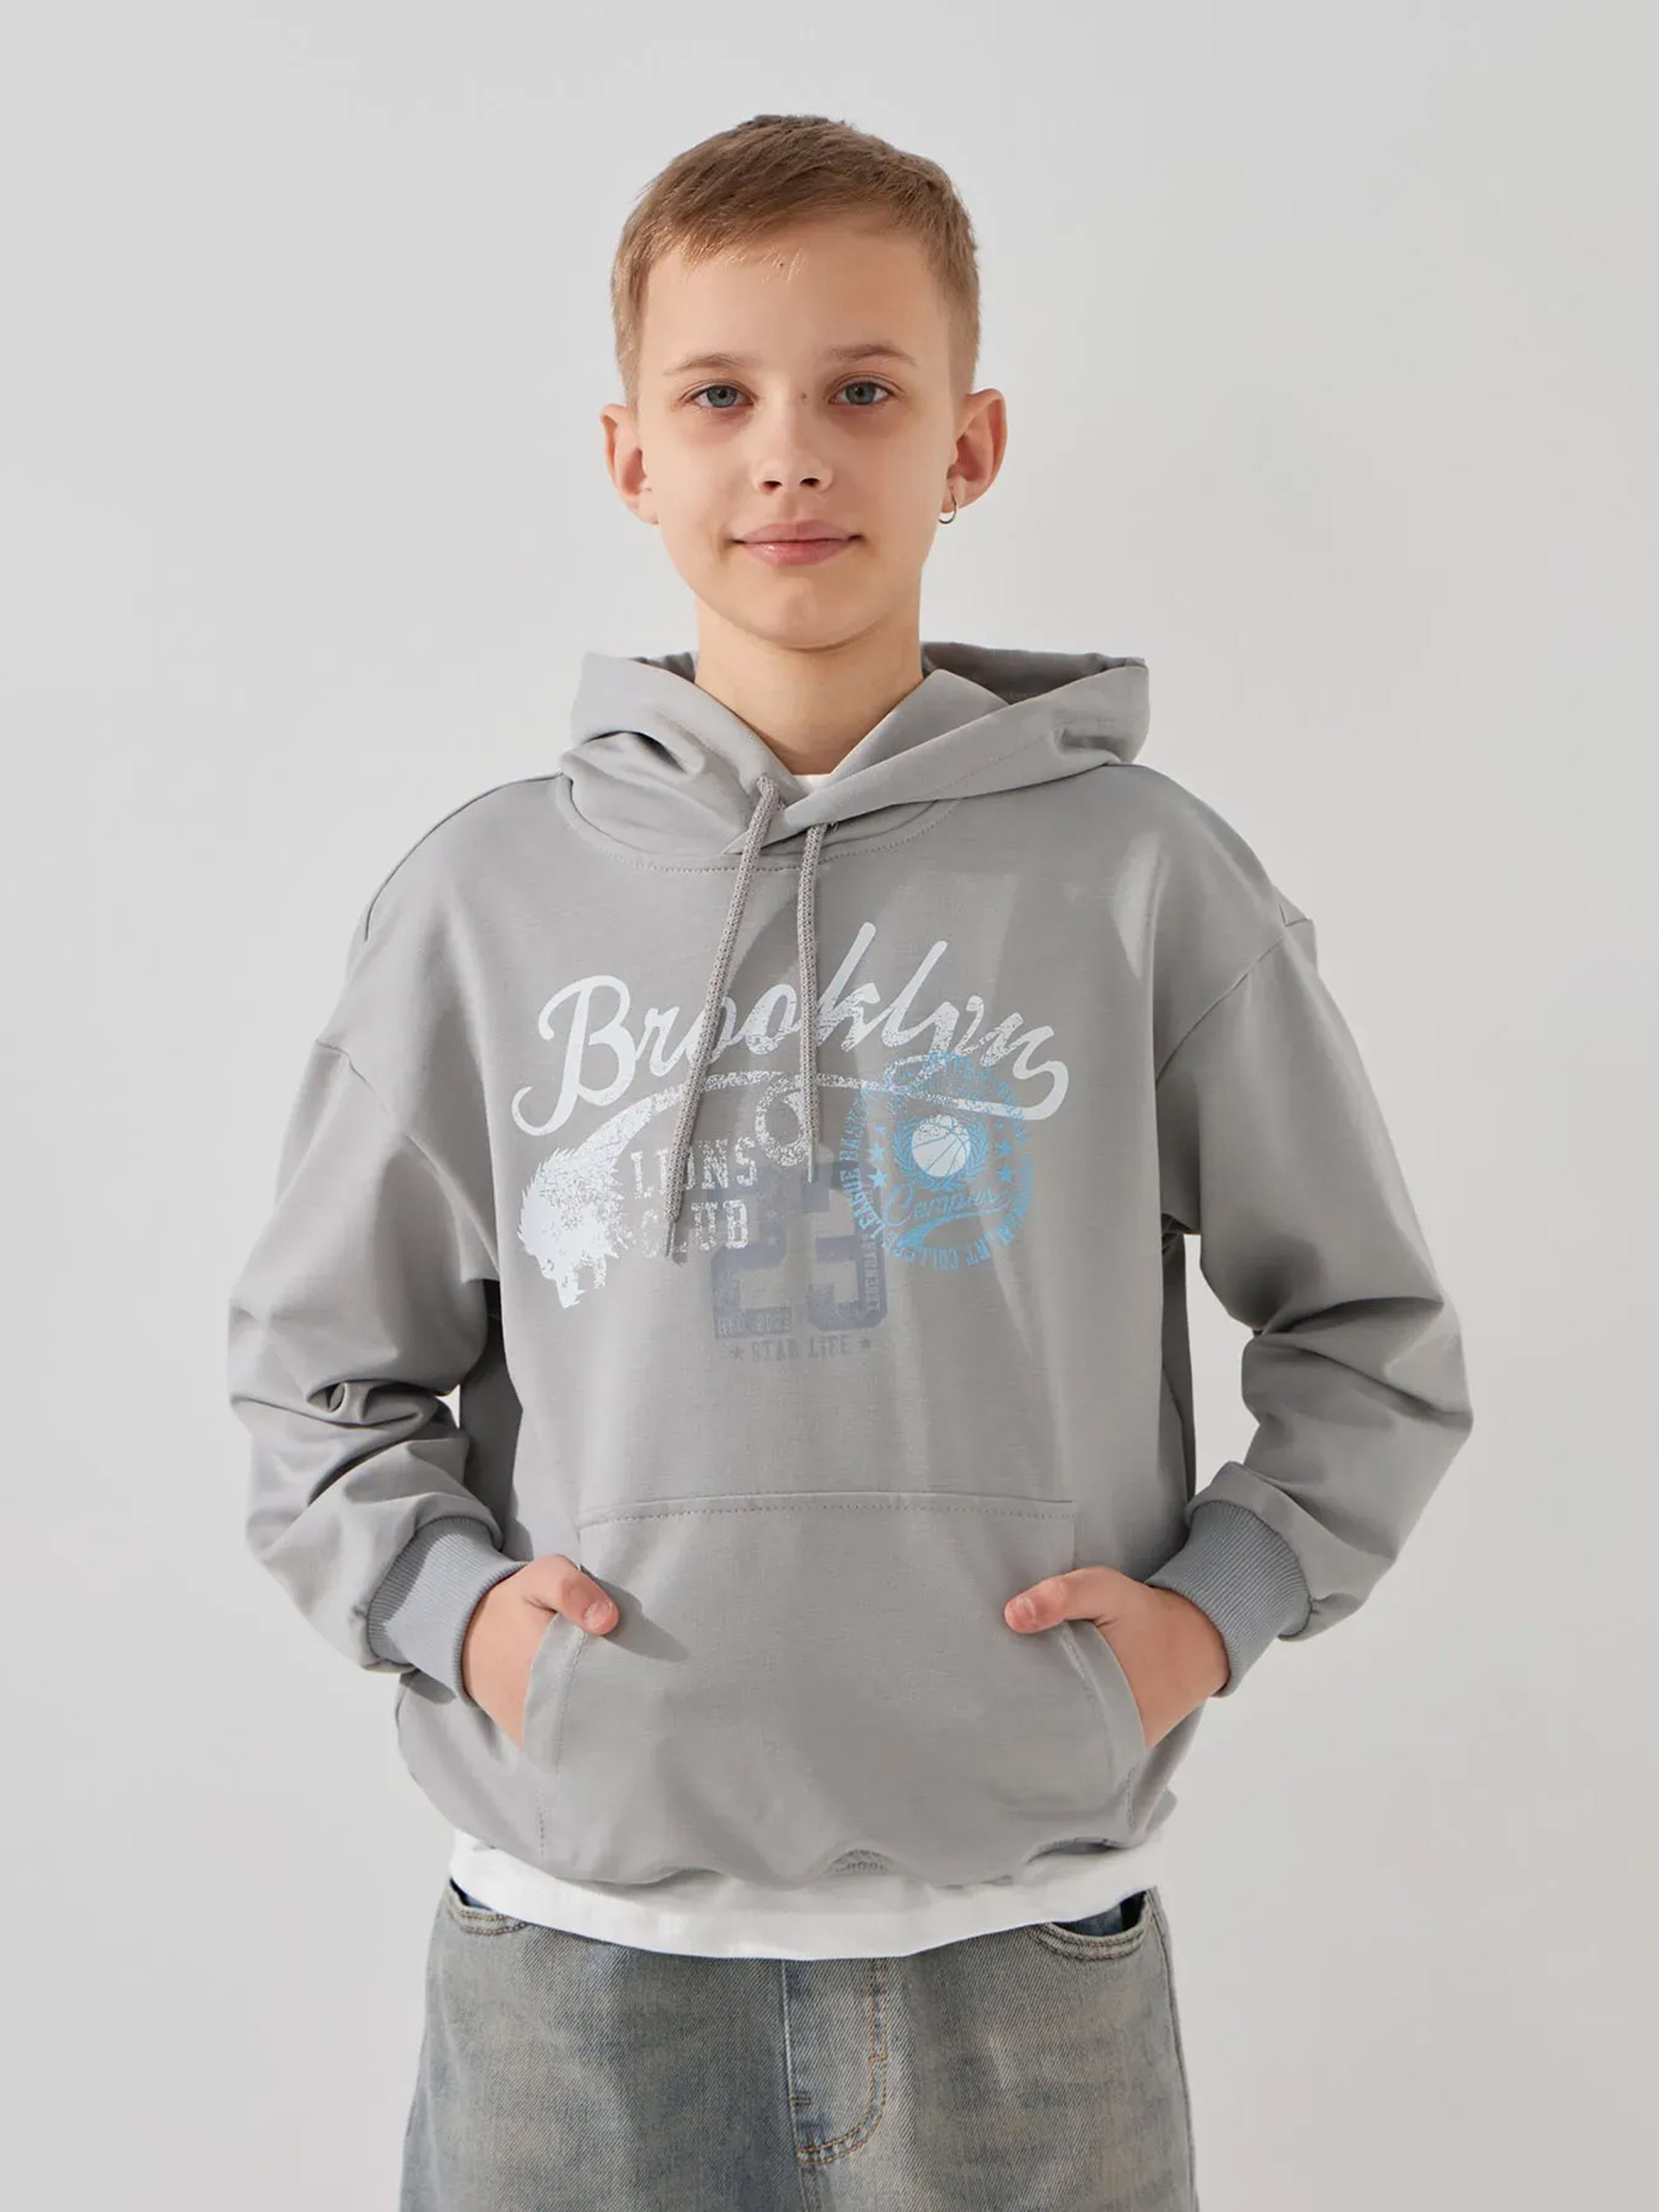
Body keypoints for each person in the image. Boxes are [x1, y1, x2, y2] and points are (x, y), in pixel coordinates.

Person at [227, 112, 1474, 2211]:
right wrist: (469, 1623)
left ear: (967, 445)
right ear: (629, 454)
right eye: (719, 396)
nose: (789, 455)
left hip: (1025, 1962)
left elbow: (1368, 1335)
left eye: (863, 393)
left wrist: (1204, 1617)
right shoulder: (481, 904)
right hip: (571, 1967)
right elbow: (310, 1384)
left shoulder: (1140, 882)